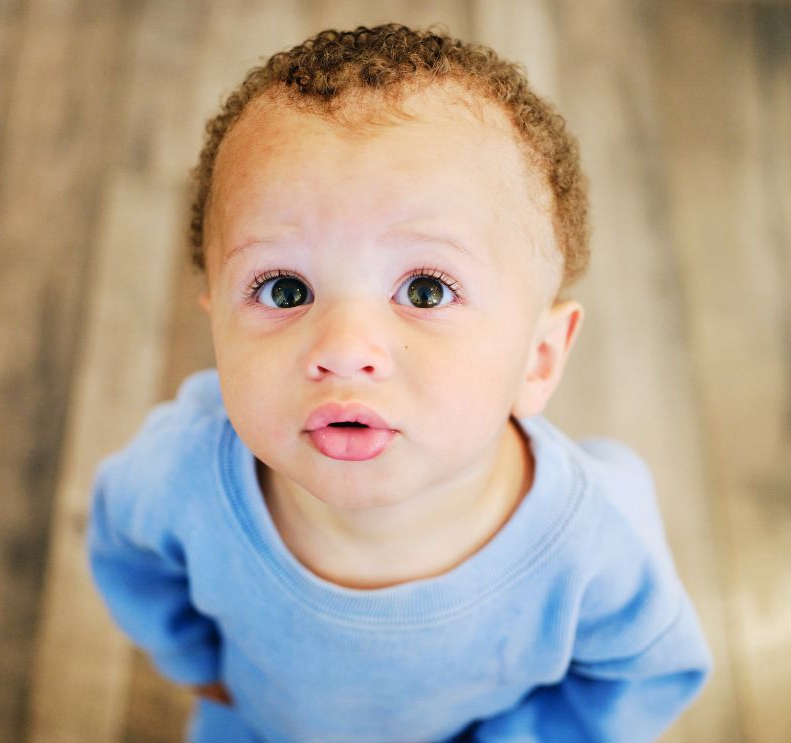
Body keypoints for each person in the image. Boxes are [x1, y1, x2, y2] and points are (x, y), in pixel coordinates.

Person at [87, 24, 711, 742]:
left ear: (537, 358)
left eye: (424, 289)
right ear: (216, 334)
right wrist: (190, 658)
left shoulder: (592, 545)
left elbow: (644, 675)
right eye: (285, 289)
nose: (345, 350)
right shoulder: (181, 471)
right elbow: (126, 548)